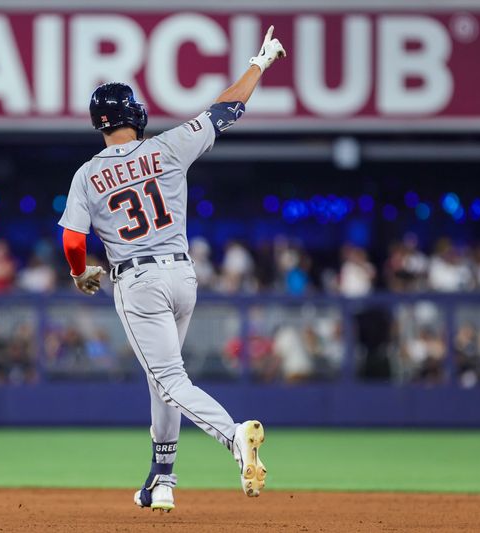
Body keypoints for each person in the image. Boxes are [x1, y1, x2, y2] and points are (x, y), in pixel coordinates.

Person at [58, 25, 286, 511]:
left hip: (137, 281)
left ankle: (233, 436)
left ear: (99, 123)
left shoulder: (87, 174)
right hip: (183, 275)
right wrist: (260, 64)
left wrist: (80, 273)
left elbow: (72, 240)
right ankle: (161, 481)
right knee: (163, 380)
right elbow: (227, 108)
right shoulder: (168, 146)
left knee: (169, 380)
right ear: (134, 114)